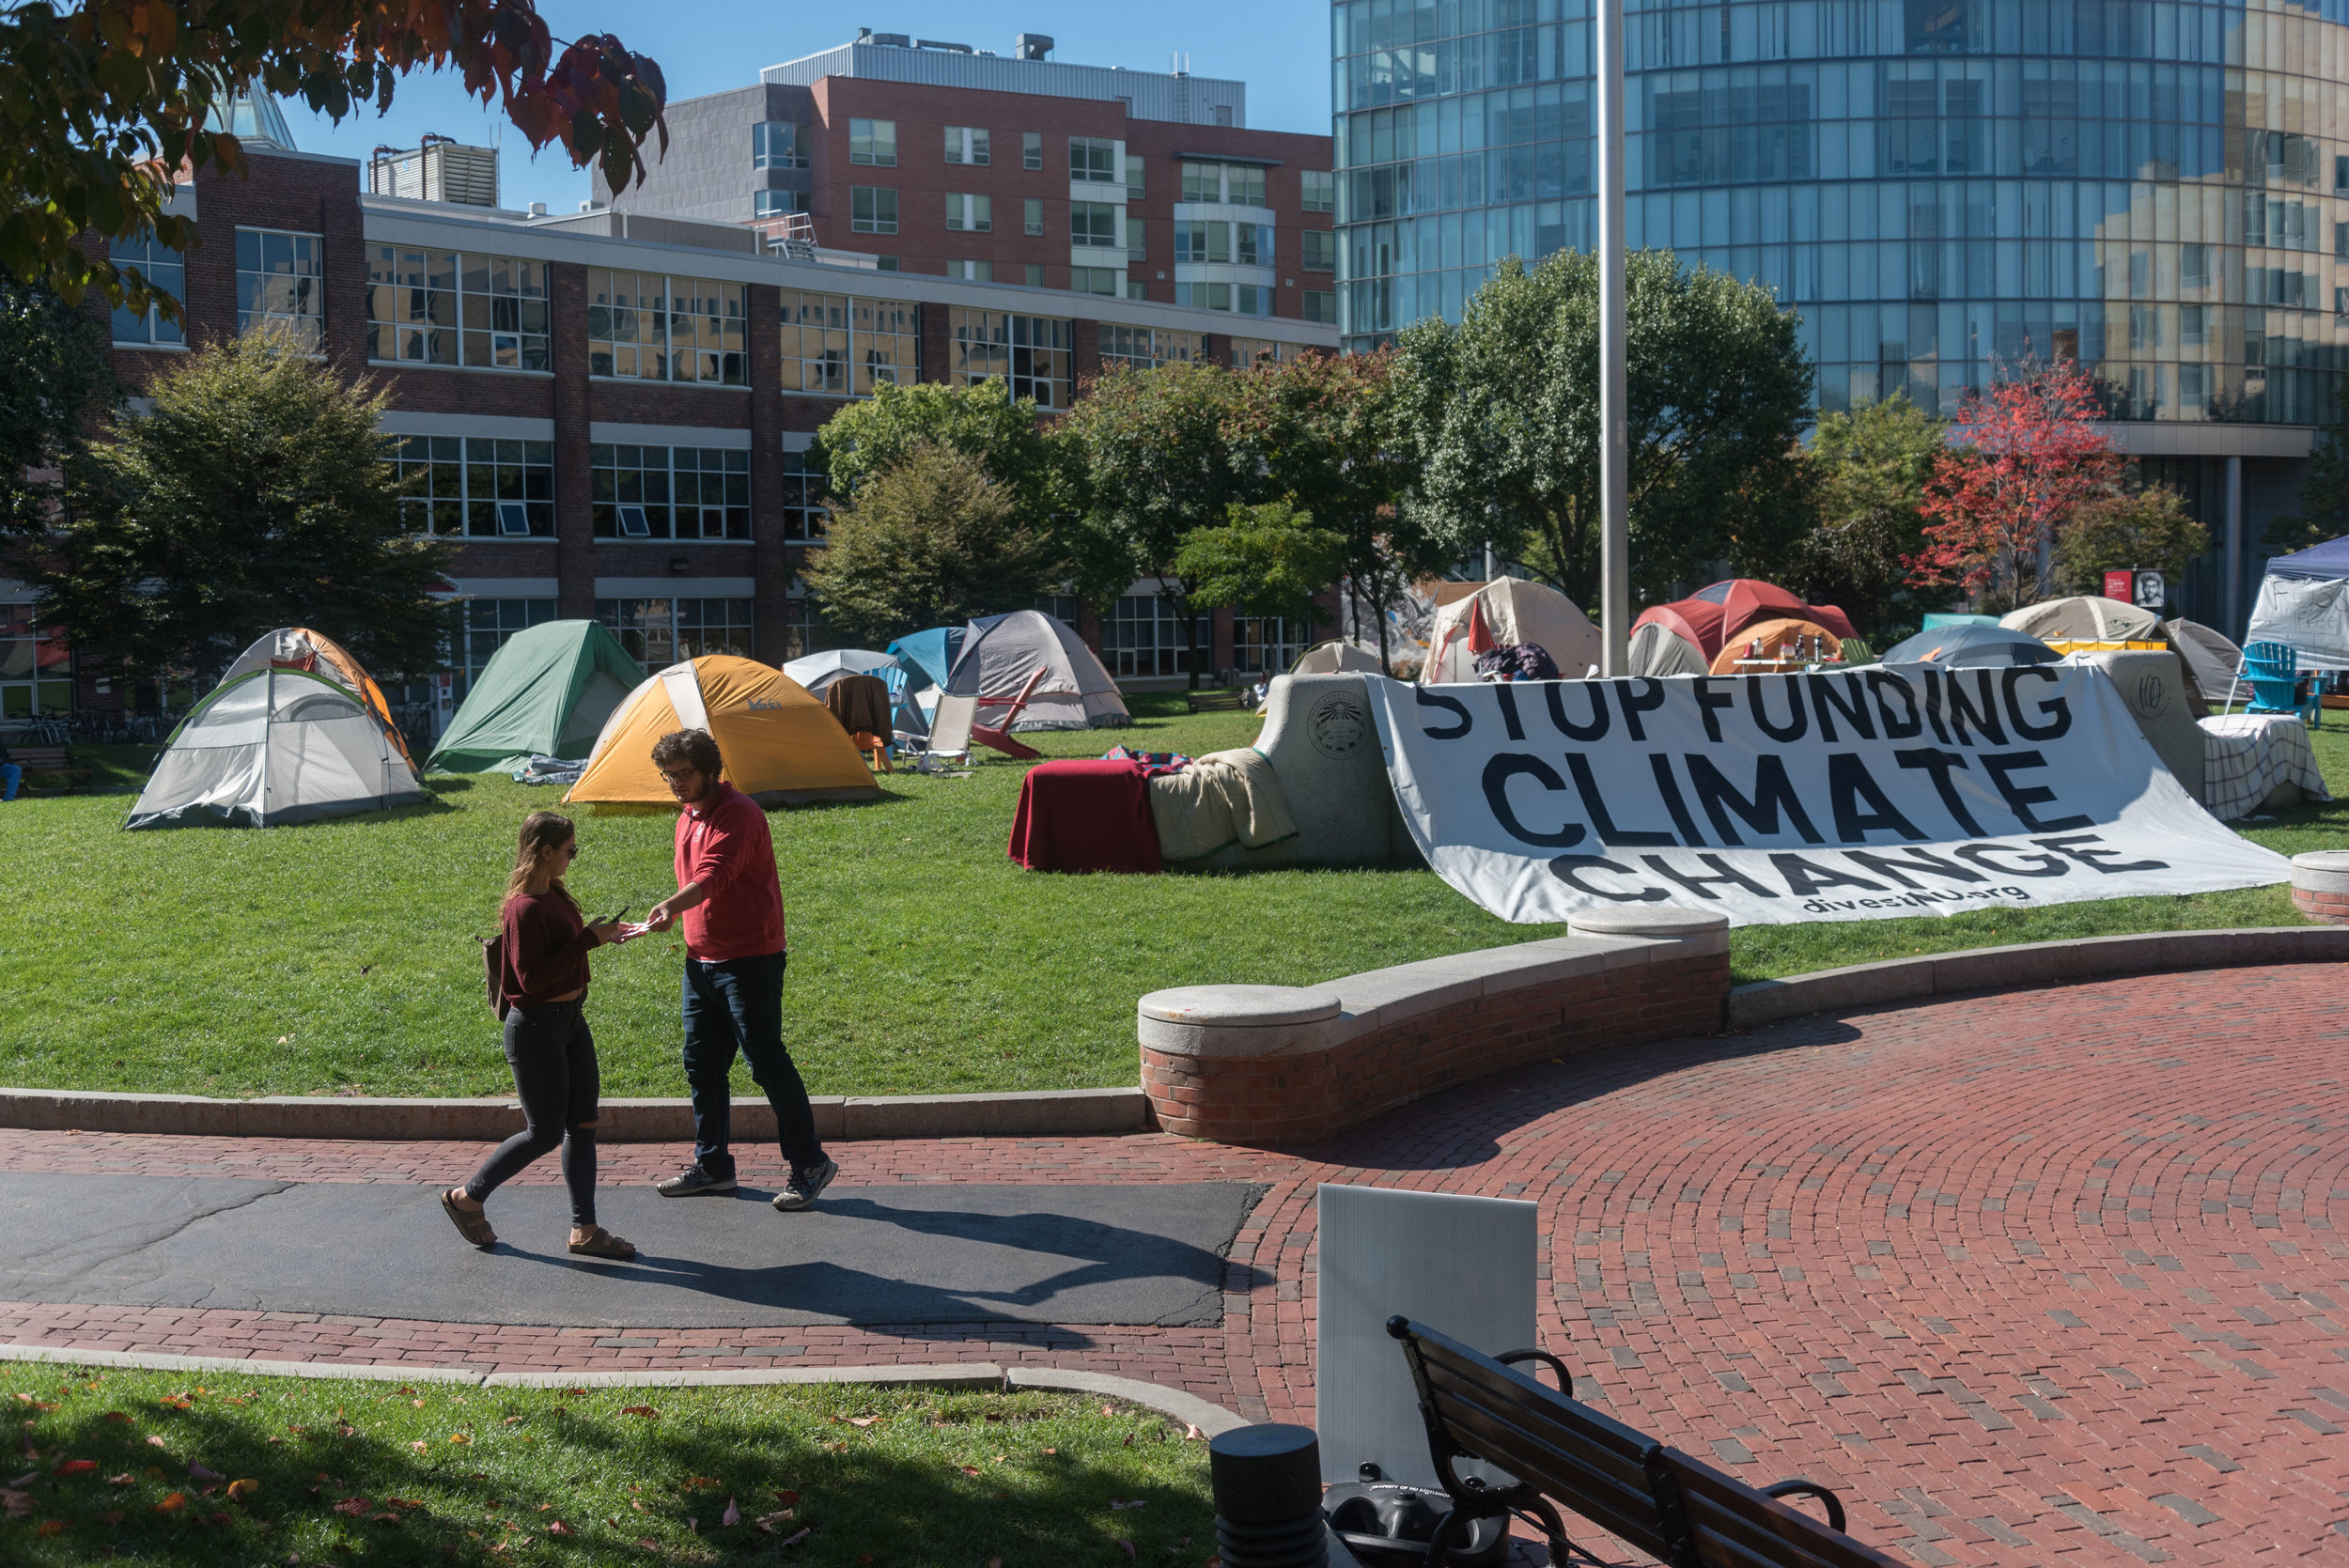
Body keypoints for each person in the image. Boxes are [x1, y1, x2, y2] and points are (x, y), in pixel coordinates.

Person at [640, 727, 837, 1212]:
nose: (676, 784)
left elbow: (715, 876)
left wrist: (669, 906)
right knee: (701, 1066)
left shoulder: (740, 815)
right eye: (669, 776)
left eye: (685, 774)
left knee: (766, 1062)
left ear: (712, 769)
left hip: (750, 960)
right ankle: (713, 1167)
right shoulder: (688, 814)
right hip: (699, 962)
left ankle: (810, 1163)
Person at [442, 810, 637, 1259]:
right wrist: (589, 941)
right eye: (570, 850)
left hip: (570, 1021)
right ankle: (466, 1197)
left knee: (584, 1124)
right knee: (544, 1132)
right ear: (545, 851)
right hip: (536, 1030)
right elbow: (528, 980)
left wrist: (601, 936)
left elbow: (567, 954)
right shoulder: (524, 908)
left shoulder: (556, 895)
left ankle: (584, 1230)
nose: (574, 857)